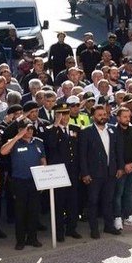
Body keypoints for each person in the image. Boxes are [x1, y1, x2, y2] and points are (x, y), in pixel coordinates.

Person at [79, 103, 124, 238]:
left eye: (104, 114)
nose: (103, 117)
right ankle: (94, 229)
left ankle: (108, 226)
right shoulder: (86, 132)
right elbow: (82, 155)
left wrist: (120, 167)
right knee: (93, 201)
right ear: (93, 116)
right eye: (99, 115)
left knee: (108, 200)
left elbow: (118, 151)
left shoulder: (113, 130)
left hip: (110, 172)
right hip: (93, 174)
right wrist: (85, 173)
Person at [1, 122, 45, 249]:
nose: (30, 131)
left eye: (31, 128)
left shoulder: (38, 142)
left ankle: (32, 238)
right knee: (20, 212)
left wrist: (43, 178)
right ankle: (20, 240)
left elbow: (43, 160)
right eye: (26, 129)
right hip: (19, 181)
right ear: (20, 130)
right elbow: (3, 151)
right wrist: (16, 137)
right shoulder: (14, 142)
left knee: (34, 211)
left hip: (34, 181)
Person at [43, 101, 81, 241]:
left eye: (66, 113)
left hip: (72, 171)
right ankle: (59, 232)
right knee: (59, 204)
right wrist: (55, 125)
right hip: (58, 172)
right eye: (61, 114)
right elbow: (51, 145)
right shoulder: (49, 129)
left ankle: (72, 228)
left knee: (73, 202)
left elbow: (79, 151)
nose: (65, 117)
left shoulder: (75, 128)